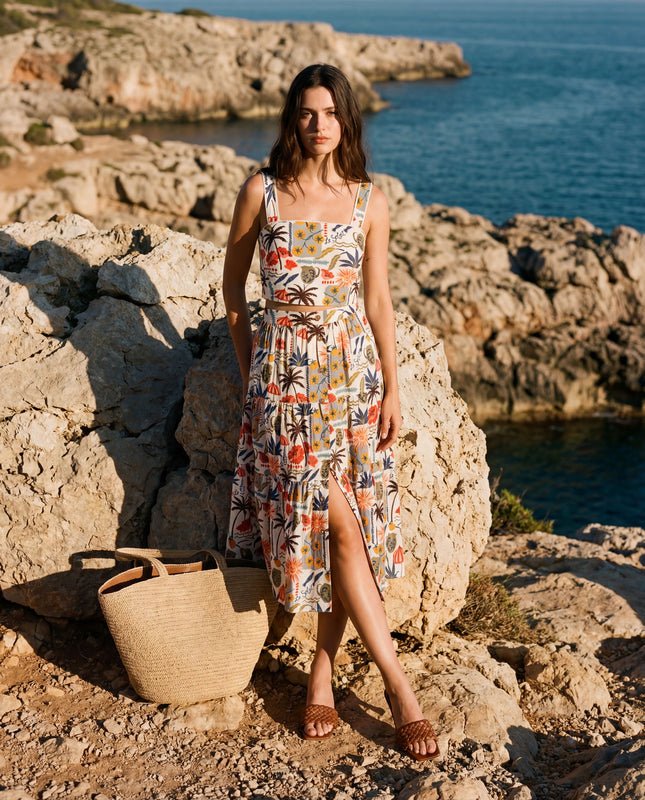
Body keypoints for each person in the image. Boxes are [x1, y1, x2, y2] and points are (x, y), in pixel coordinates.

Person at [223, 63, 439, 761]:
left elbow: (377, 300)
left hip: (350, 381)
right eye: (307, 112)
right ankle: (399, 688)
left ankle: (326, 670)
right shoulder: (261, 192)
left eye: (330, 113)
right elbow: (232, 297)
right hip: (283, 384)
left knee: (342, 534)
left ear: (347, 120)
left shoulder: (367, 201)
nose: (319, 125)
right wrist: (251, 378)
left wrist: (393, 389)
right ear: (293, 117)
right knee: (329, 528)